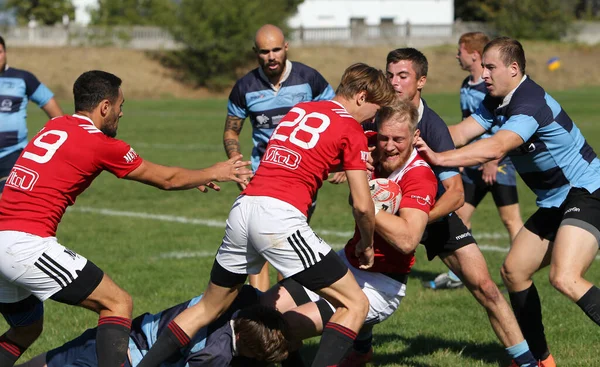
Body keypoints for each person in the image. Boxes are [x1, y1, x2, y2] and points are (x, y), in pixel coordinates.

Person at [137, 63, 397, 367]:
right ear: (363, 97)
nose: (373, 119)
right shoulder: (350, 127)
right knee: (355, 303)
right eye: (375, 110)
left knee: (209, 306)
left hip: (244, 208)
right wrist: (367, 242)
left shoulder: (298, 111)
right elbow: (363, 205)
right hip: (278, 217)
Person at [0, 70, 252, 367]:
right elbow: (166, 179)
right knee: (117, 303)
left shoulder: (56, 125)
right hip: (24, 245)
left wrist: (192, 177)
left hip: (6, 240)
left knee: (27, 327)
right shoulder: (99, 142)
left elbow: (171, 177)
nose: (121, 113)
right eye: (120, 106)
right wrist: (214, 171)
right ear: (104, 107)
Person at [416, 37, 600, 367]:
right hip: (555, 202)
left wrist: (441, 159)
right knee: (514, 272)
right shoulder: (496, 100)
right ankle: (542, 361)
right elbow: (458, 133)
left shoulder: (529, 102)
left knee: (565, 276)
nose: (483, 74)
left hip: (587, 192)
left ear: (513, 69)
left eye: (490, 67)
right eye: (482, 66)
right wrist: (415, 119)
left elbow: (498, 146)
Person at [386, 48, 538, 367]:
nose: (394, 83)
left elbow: (455, 194)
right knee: (361, 292)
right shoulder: (374, 118)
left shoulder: (432, 126)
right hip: (386, 219)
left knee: (486, 288)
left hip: (433, 215)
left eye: (403, 76)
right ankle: (357, 347)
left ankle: (528, 362)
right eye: (390, 75)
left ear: (421, 81)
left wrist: (420, 220)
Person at [260, 100, 438, 366]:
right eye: (383, 137)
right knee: (264, 311)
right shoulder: (370, 144)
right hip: (346, 264)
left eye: (399, 139)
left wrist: (366, 205)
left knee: (286, 325)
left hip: (382, 283)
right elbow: (323, 150)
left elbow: (407, 239)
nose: (389, 146)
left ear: (416, 136)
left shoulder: (419, 176)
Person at [224, 24, 335, 291]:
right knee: (257, 250)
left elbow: (335, 118)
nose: (271, 56)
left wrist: (337, 164)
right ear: (256, 53)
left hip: (302, 177)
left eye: (276, 49)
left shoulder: (310, 79)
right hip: (260, 175)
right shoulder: (245, 87)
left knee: (289, 251)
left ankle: (284, 313)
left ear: (286, 47)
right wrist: (238, 165)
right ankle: (261, 318)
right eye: (264, 51)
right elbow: (231, 131)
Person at [425, 32, 524, 290]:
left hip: (497, 161)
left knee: (510, 219)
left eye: (460, 51)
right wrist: (456, 156)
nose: (457, 55)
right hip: (471, 163)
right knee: (459, 213)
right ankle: (461, 275)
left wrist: (493, 160)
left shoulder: (493, 89)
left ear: (474, 54)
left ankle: (522, 267)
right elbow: (465, 127)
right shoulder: (466, 85)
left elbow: (504, 131)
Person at [15, 285, 290, 367]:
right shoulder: (217, 355)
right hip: (125, 360)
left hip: (118, 331)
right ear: (241, 340)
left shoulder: (238, 298)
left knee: (50, 360)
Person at [0, 35, 63, 196]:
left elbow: (50, 104)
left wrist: (64, 134)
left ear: (5, 53)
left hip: (12, 154)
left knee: (6, 201)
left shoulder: (23, 78)